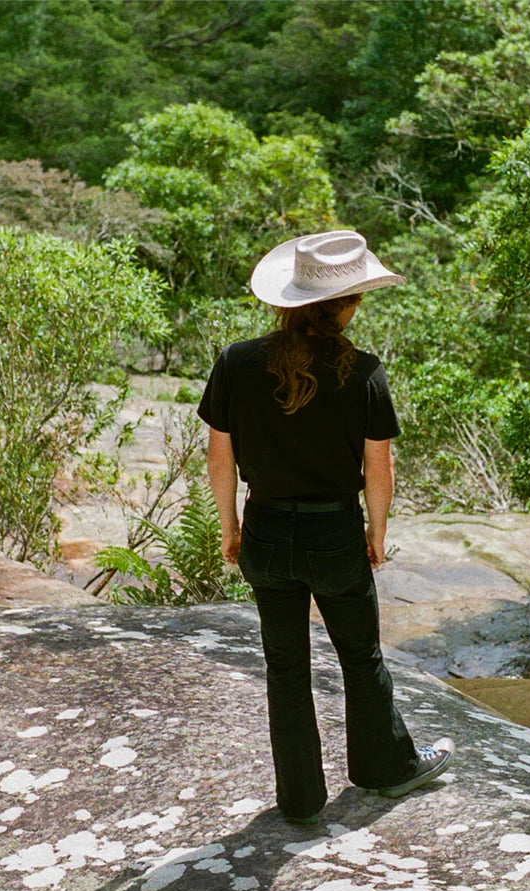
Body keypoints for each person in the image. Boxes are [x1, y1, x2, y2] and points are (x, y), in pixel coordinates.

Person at [197, 230, 454, 824]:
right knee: (360, 659)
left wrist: (230, 528)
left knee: (285, 668)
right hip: (335, 533)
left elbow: (219, 456)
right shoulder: (364, 372)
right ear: (346, 305)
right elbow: (379, 467)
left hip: (265, 531)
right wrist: (376, 535)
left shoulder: (236, 362)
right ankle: (386, 769)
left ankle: (300, 800)